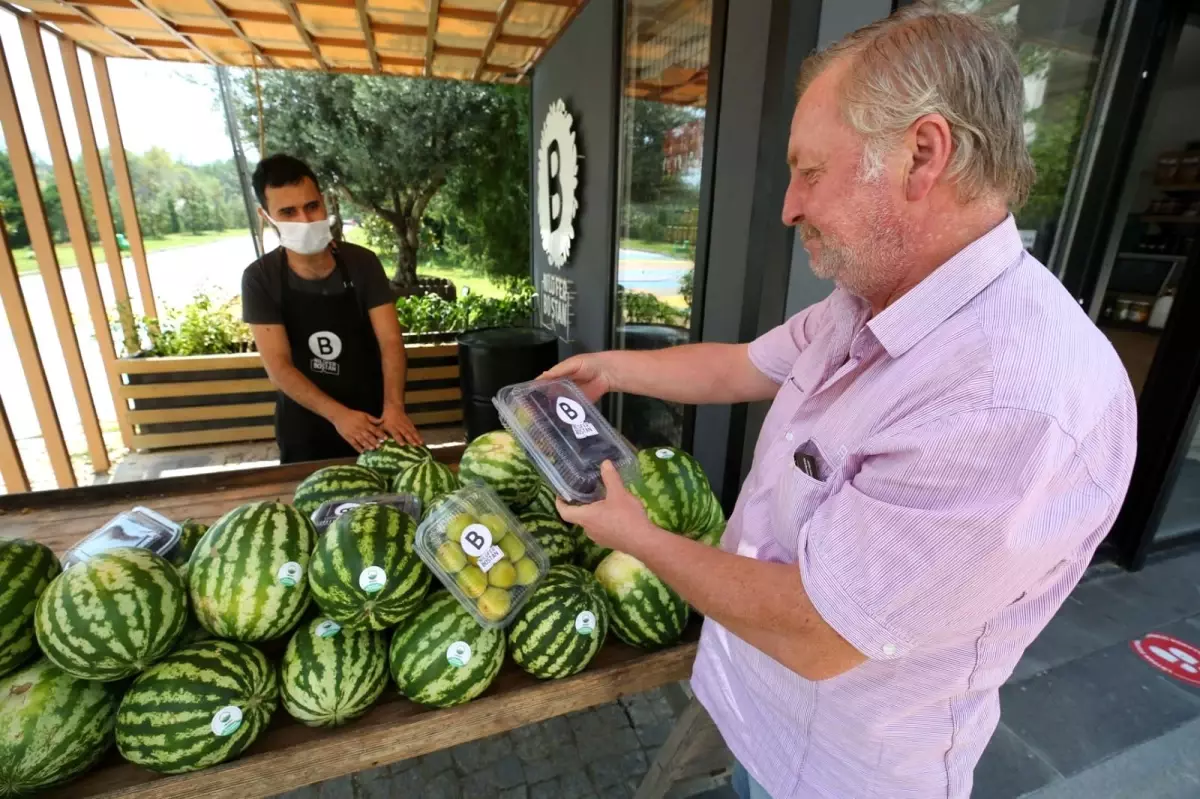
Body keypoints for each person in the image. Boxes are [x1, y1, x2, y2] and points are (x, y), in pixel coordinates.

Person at [551, 7, 1138, 798]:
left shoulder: (1009, 400)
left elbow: (821, 633)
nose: (790, 205)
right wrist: (610, 370)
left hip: (837, 775)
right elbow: (737, 367)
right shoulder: (871, 301)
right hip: (758, 715)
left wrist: (636, 535)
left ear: (922, 155)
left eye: (810, 170)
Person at [242, 154, 421, 463]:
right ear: (266, 216)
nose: (305, 220)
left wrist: (394, 406)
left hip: (375, 423)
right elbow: (279, 368)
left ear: (323, 202)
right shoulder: (260, 278)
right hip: (306, 429)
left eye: (311, 206)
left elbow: (390, 342)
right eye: (288, 212)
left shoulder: (363, 264)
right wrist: (338, 416)